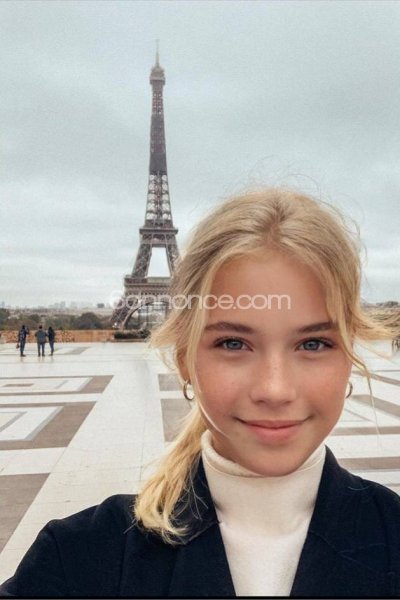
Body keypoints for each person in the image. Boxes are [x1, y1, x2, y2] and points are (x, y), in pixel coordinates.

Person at [1, 188, 399, 598]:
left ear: (349, 357)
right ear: (185, 361)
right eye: (233, 343)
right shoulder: (72, 561)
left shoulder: (86, 557)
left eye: (313, 344)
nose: (275, 390)